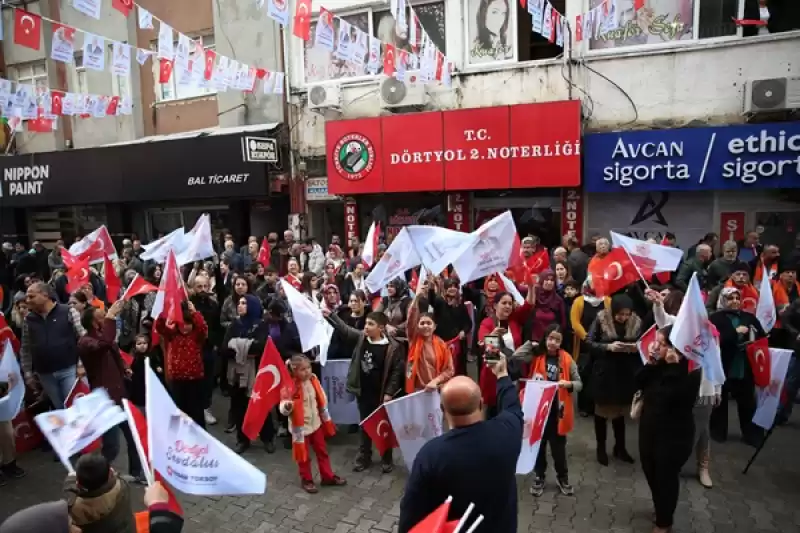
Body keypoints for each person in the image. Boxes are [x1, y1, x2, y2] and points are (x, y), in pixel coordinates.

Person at [398, 355, 521, 533]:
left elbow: (411, 513)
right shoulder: (507, 432)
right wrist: (501, 373)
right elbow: (512, 407)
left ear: (442, 409)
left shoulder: (431, 454)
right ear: (481, 403)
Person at [636, 327, 702, 533]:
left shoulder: (690, 372)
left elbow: (671, 398)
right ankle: (661, 507)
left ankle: (664, 522)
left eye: (662, 344)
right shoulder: (657, 365)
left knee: (665, 477)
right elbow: (637, 382)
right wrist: (651, 363)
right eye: (657, 342)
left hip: (674, 435)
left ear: (677, 349)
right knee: (650, 471)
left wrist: (673, 369)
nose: (656, 346)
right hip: (649, 429)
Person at [324, 308, 405, 473]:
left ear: (381, 328)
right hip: (364, 392)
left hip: (382, 395)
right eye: (366, 323)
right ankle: (364, 456)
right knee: (365, 425)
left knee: (384, 426)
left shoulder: (393, 347)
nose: (366, 327)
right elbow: (346, 330)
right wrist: (331, 316)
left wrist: (389, 392)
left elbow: (397, 372)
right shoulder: (362, 338)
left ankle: (386, 457)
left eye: (370, 324)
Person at [513, 324, 582, 497]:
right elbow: (516, 356)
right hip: (538, 412)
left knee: (559, 450)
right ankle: (539, 476)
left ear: (561, 342)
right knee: (539, 447)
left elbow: (579, 384)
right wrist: (531, 344)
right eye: (550, 338)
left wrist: (569, 385)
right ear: (545, 338)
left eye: (557, 340)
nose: (553, 343)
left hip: (558, 414)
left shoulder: (567, 359)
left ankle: (562, 477)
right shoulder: (537, 356)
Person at [587, 293, 642, 466]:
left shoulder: (636, 322)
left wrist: (635, 348)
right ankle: (601, 448)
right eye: (620, 314)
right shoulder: (601, 318)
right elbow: (589, 342)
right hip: (605, 372)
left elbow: (643, 343)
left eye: (627, 314)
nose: (624, 318)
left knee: (620, 413)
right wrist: (607, 347)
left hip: (624, 372)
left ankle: (620, 448)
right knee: (602, 413)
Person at [279, 355, 347, 493]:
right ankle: (307, 480)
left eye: (309, 367)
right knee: (303, 456)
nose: (307, 371)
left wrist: (324, 408)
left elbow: (322, 396)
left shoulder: (313, 380)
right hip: (300, 429)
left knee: (322, 451)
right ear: (294, 371)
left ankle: (327, 477)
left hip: (316, 425)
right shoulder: (289, 385)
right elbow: (283, 406)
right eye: (303, 369)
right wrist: (286, 407)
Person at [708, 287, 767, 446]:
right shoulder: (715, 318)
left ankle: (752, 435)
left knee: (748, 402)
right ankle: (717, 433)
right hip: (724, 364)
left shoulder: (749, 317)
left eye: (737, 298)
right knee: (720, 402)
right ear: (723, 300)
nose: (734, 301)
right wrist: (735, 332)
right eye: (730, 298)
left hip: (744, 365)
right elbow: (713, 341)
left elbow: (761, 337)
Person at [222, 294, 275, 454]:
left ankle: (267, 438)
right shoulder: (234, 325)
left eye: (244, 303)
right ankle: (242, 439)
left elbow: (259, 347)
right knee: (239, 407)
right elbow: (225, 348)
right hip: (237, 373)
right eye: (239, 303)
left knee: (260, 406)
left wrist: (237, 344)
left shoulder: (261, 325)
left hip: (257, 372)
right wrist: (245, 346)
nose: (240, 306)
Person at [21, 282, 86, 411]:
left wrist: (81, 364)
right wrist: (28, 372)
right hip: (45, 374)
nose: (28, 301)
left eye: (31, 296)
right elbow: (26, 348)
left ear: (45, 295)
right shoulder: (28, 319)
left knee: (75, 408)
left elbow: (84, 339)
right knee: (59, 409)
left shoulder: (68, 311)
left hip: (69, 369)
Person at [155, 301, 209, 429]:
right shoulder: (172, 335)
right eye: (182, 324)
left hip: (194, 379)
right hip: (177, 379)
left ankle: (199, 435)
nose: (185, 327)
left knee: (196, 410)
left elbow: (202, 327)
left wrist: (195, 312)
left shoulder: (196, 336)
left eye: (188, 324)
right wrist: (165, 311)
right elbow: (160, 327)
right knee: (178, 410)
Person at [63, 454, 135, 533]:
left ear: (78, 484)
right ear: (110, 472)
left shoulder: (77, 508)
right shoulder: (122, 484)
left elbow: (68, 506)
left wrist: (69, 482)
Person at [405, 282, 455, 393]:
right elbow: (410, 319)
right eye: (422, 323)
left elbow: (450, 370)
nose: (425, 326)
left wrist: (436, 381)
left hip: (436, 389)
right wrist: (417, 298)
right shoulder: (414, 339)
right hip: (416, 391)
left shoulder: (441, 344)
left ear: (434, 327)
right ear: (417, 326)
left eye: (429, 323)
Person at [127, 333, 164, 408]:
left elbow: (155, 363)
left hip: (150, 383)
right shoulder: (134, 358)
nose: (142, 345)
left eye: (144, 343)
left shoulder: (151, 355)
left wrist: (158, 367)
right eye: (139, 343)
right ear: (135, 346)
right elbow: (130, 368)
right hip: (138, 385)